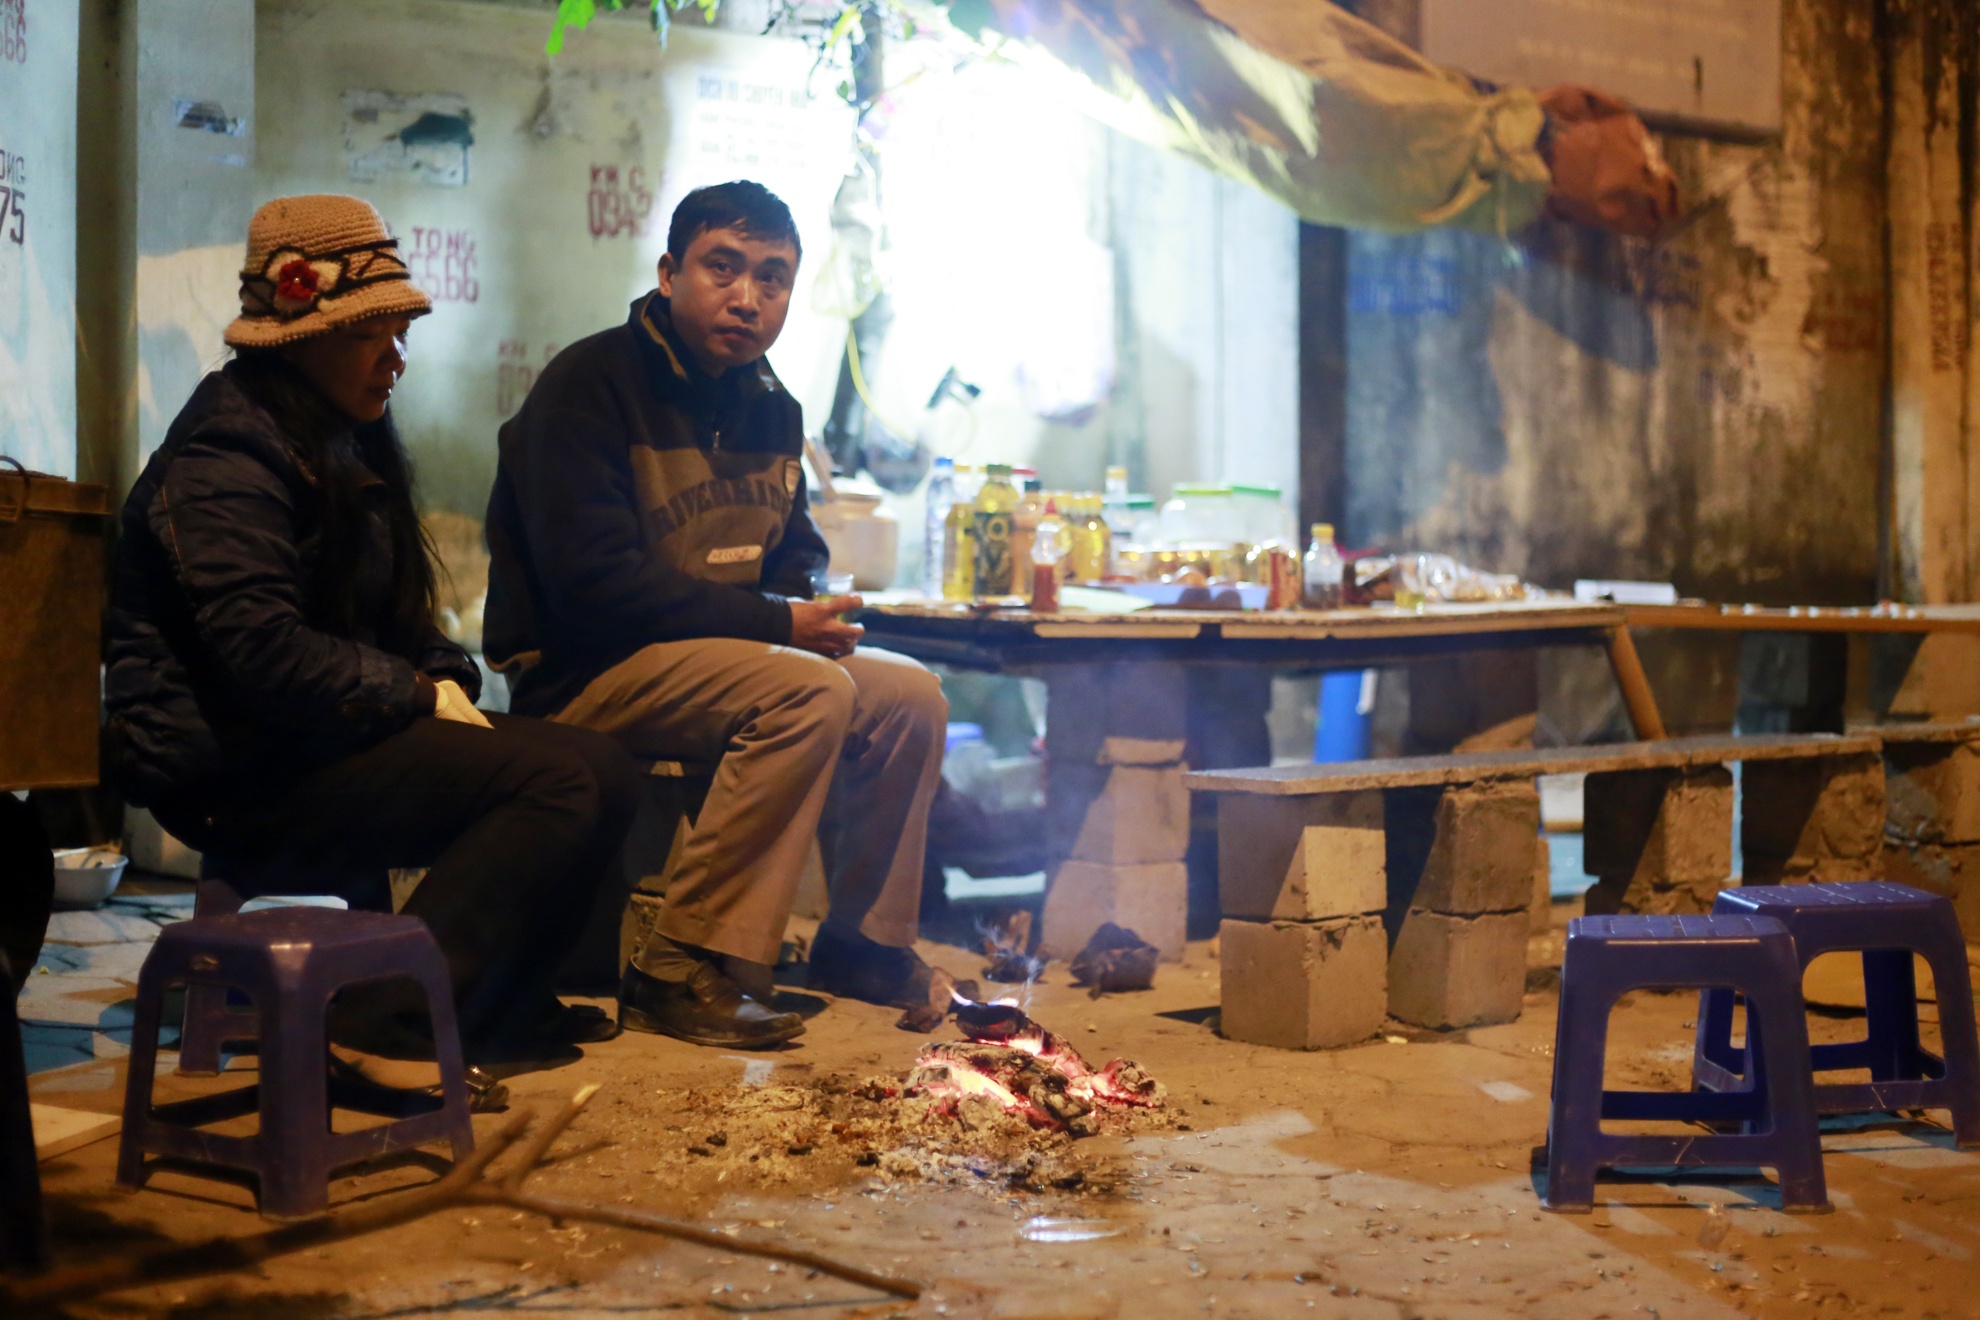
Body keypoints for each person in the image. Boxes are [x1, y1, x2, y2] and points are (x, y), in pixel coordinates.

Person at [104, 195, 641, 1108]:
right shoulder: (226, 455)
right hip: (234, 769)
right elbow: (263, 654)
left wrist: (440, 668)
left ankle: (493, 1006)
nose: (394, 357)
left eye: (399, 333)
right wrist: (415, 694)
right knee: (555, 783)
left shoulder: (335, 437)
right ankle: (374, 1021)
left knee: (602, 765)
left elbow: (389, 617)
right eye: (369, 336)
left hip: (317, 736)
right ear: (296, 339)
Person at [484, 180, 947, 1049]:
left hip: (726, 661)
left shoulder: (772, 404)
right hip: (588, 672)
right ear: (669, 274)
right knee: (808, 692)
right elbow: (591, 586)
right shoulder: (589, 386)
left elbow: (792, 554)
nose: (747, 297)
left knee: (910, 696)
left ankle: (863, 942)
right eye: (722, 268)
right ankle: (674, 965)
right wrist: (779, 626)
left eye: (772, 277)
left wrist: (806, 606)